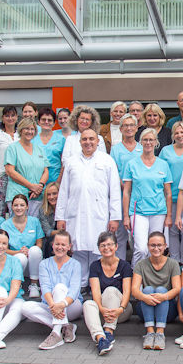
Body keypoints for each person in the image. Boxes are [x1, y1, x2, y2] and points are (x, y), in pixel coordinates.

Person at [56, 129, 122, 289]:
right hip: (75, 213)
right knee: (77, 250)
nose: (88, 142)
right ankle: (80, 286)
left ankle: (95, 286)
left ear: (98, 141)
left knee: (97, 249)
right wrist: (60, 217)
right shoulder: (71, 162)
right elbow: (63, 190)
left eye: (91, 139)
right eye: (84, 139)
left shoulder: (107, 161)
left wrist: (115, 217)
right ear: (80, 142)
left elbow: (114, 190)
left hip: (99, 213)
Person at [21, 231, 83, 350]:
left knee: (60, 287)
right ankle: (66, 326)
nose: (60, 247)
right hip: (51, 306)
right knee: (25, 307)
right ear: (52, 245)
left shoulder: (75, 264)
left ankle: (56, 334)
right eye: (57, 244)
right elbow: (45, 288)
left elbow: (74, 291)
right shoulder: (44, 264)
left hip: (71, 306)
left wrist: (60, 305)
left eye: (63, 245)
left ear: (69, 247)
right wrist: (53, 306)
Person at [123, 128, 172, 266]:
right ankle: (136, 276)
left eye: (151, 139)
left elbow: (168, 193)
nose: (148, 142)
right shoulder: (132, 164)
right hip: (138, 212)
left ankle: (152, 278)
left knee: (156, 248)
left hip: (158, 211)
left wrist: (169, 216)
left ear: (156, 142)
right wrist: (126, 216)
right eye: (145, 139)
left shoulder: (163, 164)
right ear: (140, 142)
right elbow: (126, 191)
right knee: (141, 248)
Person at [83, 231, 133, 355]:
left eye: (110, 244)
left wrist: (120, 309)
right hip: (103, 311)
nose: (106, 248)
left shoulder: (124, 266)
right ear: (99, 248)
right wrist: (101, 308)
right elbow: (95, 292)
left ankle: (109, 330)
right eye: (103, 245)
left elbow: (127, 292)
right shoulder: (95, 266)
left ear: (116, 246)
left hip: (121, 310)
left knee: (111, 290)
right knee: (88, 304)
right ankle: (101, 339)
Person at [132, 232, 182, 350]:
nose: (156, 248)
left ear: (165, 246)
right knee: (148, 289)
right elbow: (134, 290)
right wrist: (145, 297)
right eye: (152, 245)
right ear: (148, 246)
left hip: (167, 309)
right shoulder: (141, 264)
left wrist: (163, 297)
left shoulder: (173, 264)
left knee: (161, 290)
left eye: (159, 245)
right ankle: (150, 332)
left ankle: (160, 333)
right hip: (145, 307)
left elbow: (177, 288)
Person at [159, 122, 183, 264]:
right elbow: (161, 173)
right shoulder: (165, 151)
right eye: (177, 133)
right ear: (173, 135)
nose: (180, 135)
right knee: (173, 230)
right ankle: (175, 261)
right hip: (172, 196)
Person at [109, 114, 142, 260]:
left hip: (139, 197)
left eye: (131, 125)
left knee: (139, 237)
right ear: (121, 129)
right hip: (120, 195)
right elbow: (113, 170)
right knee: (120, 236)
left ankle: (137, 271)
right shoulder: (116, 149)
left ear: (136, 128)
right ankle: (120, 267)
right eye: (125, 125)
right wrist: (124, 185)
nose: (129, 128)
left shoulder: (142, 148)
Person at [4, 117, 49, 217]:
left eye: (32, 129)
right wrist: (31, 186)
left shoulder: (39, 149)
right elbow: (10, 171)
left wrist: (39, 186)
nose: (30, 131)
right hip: (18, 196)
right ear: (21, 130)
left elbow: (45, 170)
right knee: (17, 226)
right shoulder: (13, 148)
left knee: (33, 226)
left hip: (37, 196)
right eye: (27, 129)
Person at [4, 194, 44, 298]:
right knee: (20, 257)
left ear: (27, 207)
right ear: (12, 207)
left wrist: (29, 251)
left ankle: (34, 285)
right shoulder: (5, 225)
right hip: (15, 261)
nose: (19, 208)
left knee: (35, 250)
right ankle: (17, 285)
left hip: (32, 262)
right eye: (16, 205)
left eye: (22, 205)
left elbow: (39, 243)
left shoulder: (34, 222)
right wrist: (18, 252)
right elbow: (4, 249)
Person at [0, 105, 18, 216]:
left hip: (17, 177)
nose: (10, 118)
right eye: (7, 116)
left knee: (14, 208)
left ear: (17, 117)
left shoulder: (21, 134)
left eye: (12, 115)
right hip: (1, 176)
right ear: (3, 118)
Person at [34, 107, 65, 186]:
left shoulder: (61, 139)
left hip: (54, 181)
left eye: (50, 120)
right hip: (35, 182)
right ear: (38, 122)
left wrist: (58, 182)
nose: (46, 122)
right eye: (43, 120)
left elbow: (64, 163)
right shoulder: (32, 139)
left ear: (54, 123)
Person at [39, 181, 60, 259]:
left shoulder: (68, 208)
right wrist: (62, 232)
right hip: (50, 242)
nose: (51, 197)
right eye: (48, 194)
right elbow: (48, 232)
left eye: (54, 193)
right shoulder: (43, 210)